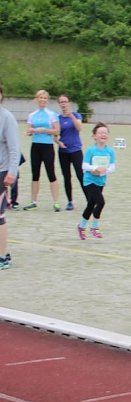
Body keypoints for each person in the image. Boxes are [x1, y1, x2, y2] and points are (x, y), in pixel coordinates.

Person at [23, 89, 60, 212]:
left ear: (47, 100)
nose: (42, 100)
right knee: (35, 174)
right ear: (36, 99)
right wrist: (30, 131)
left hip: (47, 146)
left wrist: (44, 130)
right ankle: (33, 201)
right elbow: (28, 130)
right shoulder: (32, 115)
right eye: (40, 98)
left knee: (51, 173)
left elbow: (56, 130)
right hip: (35, 146)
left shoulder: (51, 114)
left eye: (45, 98)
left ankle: (56, 202)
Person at [78, 122, 116, 239]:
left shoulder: (110, 152)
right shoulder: (91, 150)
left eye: (105, 132)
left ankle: (81, 226)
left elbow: (112, 167)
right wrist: (94, 169)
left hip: (101, 181)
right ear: (94, 136)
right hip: (89, 181)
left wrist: (104, 171)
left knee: (91, 205)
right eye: (100, 133)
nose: (103, 135)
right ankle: (94, 227)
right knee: (101, 202)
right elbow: (84, 166)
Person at [0, 83, 20, 270]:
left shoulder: (6, 117)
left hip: (2, 171)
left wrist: (12, 172)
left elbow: (14, 148)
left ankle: (2, 256)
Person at [56, 94, 84, 211]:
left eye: (65, 101)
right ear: (59, 104)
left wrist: (71, 116)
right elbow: (55, 134)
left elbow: (79, 128)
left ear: (69, 103)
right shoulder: (57, 118)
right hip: (63, 152)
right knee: (66, 176)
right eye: (61, 102)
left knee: (81, 175)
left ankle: (89, 198)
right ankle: (70, 201)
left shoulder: (76, 115)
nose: (63, 104)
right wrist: (58, 142)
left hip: (76, 150)